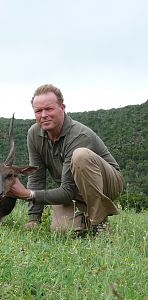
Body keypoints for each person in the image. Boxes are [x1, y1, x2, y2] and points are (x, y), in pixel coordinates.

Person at [7, 83, 124, 235]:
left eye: (49, 109)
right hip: (75, 191)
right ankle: (85, 217)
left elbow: (67, 190)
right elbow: (36, 177)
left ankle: (99, 222)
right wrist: (34, 219)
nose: (43, 115)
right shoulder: (34, 134)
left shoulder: (79, 135)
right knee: (63, 231)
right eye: (38, 111)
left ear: (62, 108)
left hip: (108, 185)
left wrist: (28, 194)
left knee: (81, 155)